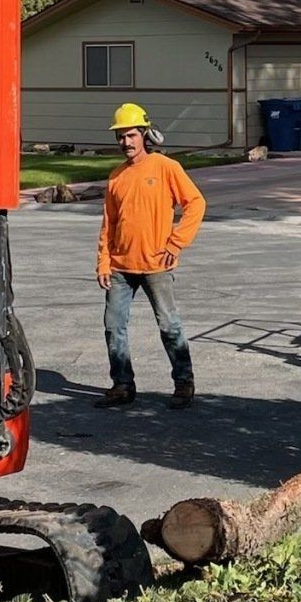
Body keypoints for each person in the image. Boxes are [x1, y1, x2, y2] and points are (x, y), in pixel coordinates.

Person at [96, 102, 206, 409]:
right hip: (120, 266)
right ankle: (122, 385)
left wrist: (176, 243)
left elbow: (196, 204)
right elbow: (109, 223)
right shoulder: (116, 177)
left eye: (131, 135)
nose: (126, 142)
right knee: (113, 325)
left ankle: (184, 383)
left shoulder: (165, 167)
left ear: (144, 134)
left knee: (169, 325)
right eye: (120, 136)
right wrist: (103, 261)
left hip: (157, 263)